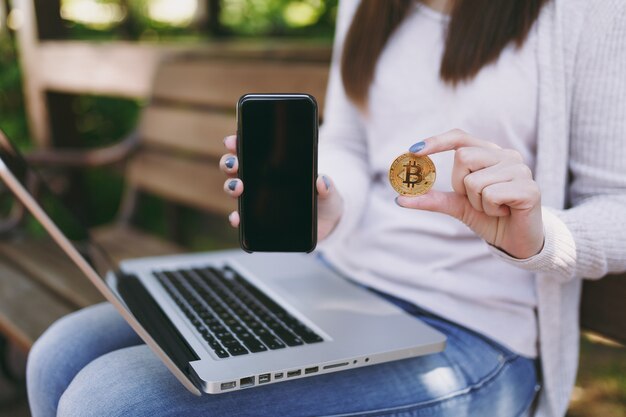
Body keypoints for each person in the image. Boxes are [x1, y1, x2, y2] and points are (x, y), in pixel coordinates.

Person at [26, 0, 626, 416]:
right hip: (336, 282)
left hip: (472, 333)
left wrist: (536, 235)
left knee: (108, 402)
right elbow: (347, 140)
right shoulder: (371, 6)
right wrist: (328, 201)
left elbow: (617, 207)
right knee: (60, 354)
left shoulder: (586, 13)